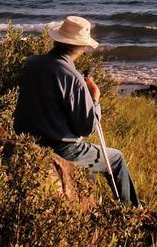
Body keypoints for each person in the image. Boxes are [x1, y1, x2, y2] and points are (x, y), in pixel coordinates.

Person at [14, 15, 140, 205]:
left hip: (29, 138)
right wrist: (95, 98)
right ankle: (131, 211)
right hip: (62, 147)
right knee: (116, 158)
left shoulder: (33, 63)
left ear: (57, 40)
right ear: (82, 47)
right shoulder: (74, 78)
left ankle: (89, 201)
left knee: (93, 165)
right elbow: (86, 128)